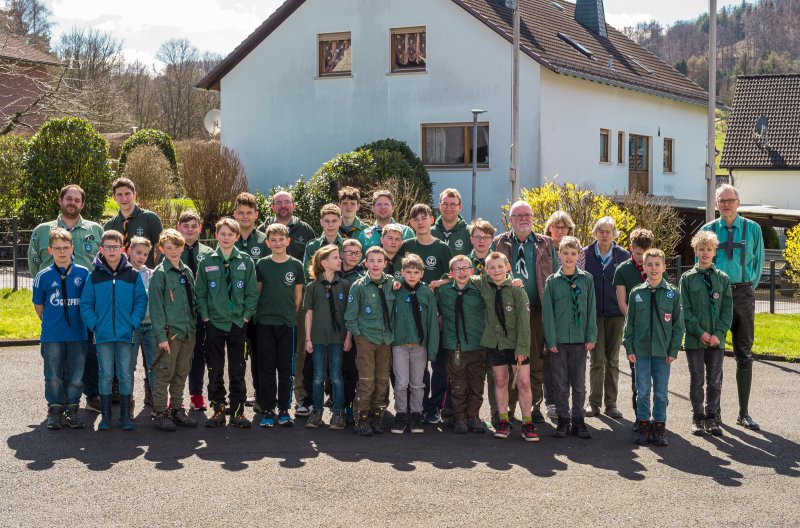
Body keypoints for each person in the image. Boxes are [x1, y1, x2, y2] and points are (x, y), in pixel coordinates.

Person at [28, 184, 103, 413]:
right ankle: (58, 403)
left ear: (82, 204)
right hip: (55, 302)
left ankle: (92, 396)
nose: (72, 203)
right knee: (56, 356)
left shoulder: (95, 229)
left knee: (89, 353)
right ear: (60, 201)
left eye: (77, 200)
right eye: (68, 198)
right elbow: (34, 263)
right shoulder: (43, 230)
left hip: (87, 303)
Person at [700, 184, 764, 431]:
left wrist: (746, 287)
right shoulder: (708, 230)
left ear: (738, 202)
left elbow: (758, 263)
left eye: (730, 200)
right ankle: (713, 412)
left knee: (744, 353)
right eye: (722, 201)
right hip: (714, 295)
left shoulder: (753, 229)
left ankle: (744, 413)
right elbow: (700, 264)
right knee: (714, 351)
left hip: (743, 293)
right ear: (716, 204)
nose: (726, 205)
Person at [493, 200, 557, 424]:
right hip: (508, 312)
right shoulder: (499, 242)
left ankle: (534, 406)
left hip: (537, 312)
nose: (523, 219)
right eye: (518, 215)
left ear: (532, 218)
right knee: (511, 361)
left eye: (527, 215)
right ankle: (509, 408)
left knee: (535, 362)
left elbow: (556, 276)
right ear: (510, 220)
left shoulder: (546, 243)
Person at [79, 230, 148, 431]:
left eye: (115, 247)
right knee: (106, 374)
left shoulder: (132, 275)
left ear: (122, 249)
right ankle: (106, 417)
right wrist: (95, 324)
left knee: (125, 374)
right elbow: (86, 304)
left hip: (126, 334)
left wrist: (133, 322)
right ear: (101, 250)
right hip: (103, 335)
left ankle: (125, 416)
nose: (111, 251)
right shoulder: (94, 276)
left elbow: (141, 300)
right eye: (108, 247)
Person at [195, 218, 258, 429]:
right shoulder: (206, 261)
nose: (226, 237)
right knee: (215, 369)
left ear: (237, 237)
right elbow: (200, 292)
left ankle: (238, 412)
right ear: (216, 235)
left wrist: (246, 316)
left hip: (237, 323)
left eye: (230, 234)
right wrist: (205, 316)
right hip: (214, 322)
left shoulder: (246, 261)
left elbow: (251, 292)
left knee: (238, 370)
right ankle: (218, 411)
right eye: (222, 233)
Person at [473, 252, 537, 441]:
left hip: (516, 344)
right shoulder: (483, 284)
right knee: (500, 381)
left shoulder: (517, 290)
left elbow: (524, 322)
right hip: (495, 343)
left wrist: (522, 348)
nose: (496, 270)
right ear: (486, 270)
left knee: (523, 382)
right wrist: (440, 282)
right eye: (492, 267)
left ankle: (527, 423)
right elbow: (462, 276)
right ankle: (503, 421)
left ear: (508, 267)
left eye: (500, 266)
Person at [623, 248, 684, 446]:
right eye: (649, 264)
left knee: (660, 393)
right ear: (644, 267)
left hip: (663, 353)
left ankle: (659, 427)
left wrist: (673, 350)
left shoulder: (673, 294)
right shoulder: (636, 293)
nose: (653, 268)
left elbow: (678, 326)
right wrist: (629, 347)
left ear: (664, 267)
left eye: (657, 264)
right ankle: (643, 425)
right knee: (642, 391)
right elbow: (629, 324)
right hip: (641, 352)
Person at [32, 228, 90, 430]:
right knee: (53, 376)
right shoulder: (43, 276)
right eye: (57, 248)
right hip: (53, 335)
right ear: (50, 250)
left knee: (76, 376)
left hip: (78, 334)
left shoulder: (83, 273)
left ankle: (72, 409)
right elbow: (39, 306)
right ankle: (55, 410)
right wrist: (51, 322)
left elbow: (88, 302)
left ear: (72, 248)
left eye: (66, 247)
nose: (62, 252)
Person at [400, 204, 452, 424]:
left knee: (439, 362)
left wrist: (440, 282)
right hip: (412, 314)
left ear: (432, 219)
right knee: (417, 364)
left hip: (438, 312)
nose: (420, 222)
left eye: (424, 218)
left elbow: (452, 278)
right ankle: (417, 406)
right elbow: (398, 275)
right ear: (410, 223)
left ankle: (435, 406)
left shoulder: (442, 248)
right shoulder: (406, 246)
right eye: (416, 219)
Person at [543, 236, 597, 439]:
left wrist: (591, 336)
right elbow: (548, 314)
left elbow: (591, 310)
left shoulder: (587, 279)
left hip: (580, 340)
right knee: (560, 382)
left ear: (579, 255)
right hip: (559, 341)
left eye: (573, 253)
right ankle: (563, 420)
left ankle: (578, 420)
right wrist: (550, 339)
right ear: (559, 255)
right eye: (565, 253)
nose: (569, 257)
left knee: (579, 383)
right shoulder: (552, 281)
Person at [680, 231, 733, 436]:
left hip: (716, 340)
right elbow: (685, 309)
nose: (705, 253)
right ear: (695, 251)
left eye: (709, 249)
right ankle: (697, 416)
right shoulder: (687, 279)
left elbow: (727, 309)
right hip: (695, 339)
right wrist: (699, 332)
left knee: (714, 380)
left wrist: (719, 333)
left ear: (714, 252)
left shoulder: (722, 279)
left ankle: (712, 417)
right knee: (697, 379)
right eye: (701, 249)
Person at [254, 223, 305, 428]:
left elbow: (298, 295)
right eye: (273, 240)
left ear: (288, 241)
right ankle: (268, 409)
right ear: (267, 243)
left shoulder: (296, 265)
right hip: (265, 323)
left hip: (287, 324)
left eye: (281, 239)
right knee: (266, 368)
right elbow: (258, 292)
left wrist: (290, 314)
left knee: (285, 369)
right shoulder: (262, 265)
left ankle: (284, 409)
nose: (277, 243)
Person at [148, 229, 198, 431]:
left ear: (182, 247)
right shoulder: (160, 274)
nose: (173, 251)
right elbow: (156, 309)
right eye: (168, 248)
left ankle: (177, 409)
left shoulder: (187, 272)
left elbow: (192, 301)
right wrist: (161, 336)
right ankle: (160, 412)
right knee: (164, 374)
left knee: (181, 372)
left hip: (187, 332)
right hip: (170, 334)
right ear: (161, 249)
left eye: (176, 247)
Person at [344, 246, 397, 436]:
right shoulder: (358, 286)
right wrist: (358, 335)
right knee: (367, 380)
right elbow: (350, 316)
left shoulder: (392, 283)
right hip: (366, 338)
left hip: (386, 338)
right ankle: (362, 418)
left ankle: (377, 415)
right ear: (365, 263)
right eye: (371, 261)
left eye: (379, 261)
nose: (375, 264)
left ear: (385, 263)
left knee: (382, 380)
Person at [582, 217, 629, 419]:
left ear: (614, 234)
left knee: (613, 360)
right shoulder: (585, 253)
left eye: (608, 231)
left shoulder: (623, 255)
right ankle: (593, 403)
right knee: (597, 359)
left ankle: (611, 404)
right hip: (593, 314)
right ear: (595, 233)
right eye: (600, 231)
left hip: (616, 314)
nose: (604, 235)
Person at [303, 245, 352, 430]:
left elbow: (350, 314)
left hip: (338, 339)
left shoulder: (345, 285)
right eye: (335, 258)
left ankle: (338, 413)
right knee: (318, 377)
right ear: (324, 263)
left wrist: (348, 337)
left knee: (337, 377)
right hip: (317, 339)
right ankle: (316, 412)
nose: (340, 260)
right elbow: (309, 314)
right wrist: (308, 339)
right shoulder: (312, 287)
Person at [390, 254, 440, 434]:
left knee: (417, 383)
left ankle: (416, 414)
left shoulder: (427, 293)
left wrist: (432, 349)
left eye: (416, 272)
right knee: (401, 383)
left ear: (422, 273)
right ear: (402, 273)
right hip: (399, 344)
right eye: (408, 272)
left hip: (420, 346)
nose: (412, 275)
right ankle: (401, 414)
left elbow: (432, 323)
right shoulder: (396, 291)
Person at [437, 254, 487, 434]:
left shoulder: (480, 288)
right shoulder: (443, 291)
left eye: (466, 268)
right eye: (457, 269)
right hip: (455, 346)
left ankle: (473, 417)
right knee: (458, 385)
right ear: (451, 273)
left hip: (477, 345)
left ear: (472, 271)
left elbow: (498, 281)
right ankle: (460, 418)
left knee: (477, 385)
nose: (462, 272)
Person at [613, 228, 654, 414]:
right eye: (638, 253)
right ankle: (640, 415)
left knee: (657, 375)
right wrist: (636, 322)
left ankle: (657, 415)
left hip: (655, 328)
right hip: (635, 328)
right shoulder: (623, 270)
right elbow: (622, 302)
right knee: (637, 375)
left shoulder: (656, 266)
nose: (641, 258)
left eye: (645, 253)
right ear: (631, 248)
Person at [176, 210, 214, 411]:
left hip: (200, 311)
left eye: (194, 226)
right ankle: (175, 395)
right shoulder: (171, 249)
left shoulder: (208, 252)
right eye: (186, 226)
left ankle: (196, 394)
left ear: (200, 229)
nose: (190, 230)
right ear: (178, 228)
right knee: (177, 355)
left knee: (199, 353)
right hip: (176, 312)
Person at [104, 177, 163, 267]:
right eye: (119, 194)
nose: (124, 198)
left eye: (127, 193)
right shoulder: (109, 225)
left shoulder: (150, 218)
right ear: (114, 197)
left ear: (134, 195)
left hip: (144, 273)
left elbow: (160, 250)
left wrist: (156, 272)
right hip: (118, 274)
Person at [127, 236, 157, 411]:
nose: (141, 257)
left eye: (145, 254)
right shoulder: (123, 273)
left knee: (153, 365)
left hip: (150, 325)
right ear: (129, 251)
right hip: (132, 327)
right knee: (129, 366)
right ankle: (128, 402)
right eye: (138, 252)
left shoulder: (151, 274)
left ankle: (156, 401)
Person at [339, 238, 364, 423]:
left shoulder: (363, 276)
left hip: (354, 330)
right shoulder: (333, 272)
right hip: (333, 328)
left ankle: (349, 405)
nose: (353, 256)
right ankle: (336, 403)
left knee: (351, 370)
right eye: (349, 252)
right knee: (334, 370)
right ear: (341, 254)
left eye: (356, 253)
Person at [258, 191, 316, 260]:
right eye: (278, 202)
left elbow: (314, 259)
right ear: (272, 207)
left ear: (294, 206)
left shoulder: (305, 230)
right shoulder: (261, 230)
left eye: (287, 202)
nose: (283, 206)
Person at [431, 188, 473, 256]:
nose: (448, 208)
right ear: (439, 206)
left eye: (453, 204)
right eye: (445, 204)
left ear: (460, 207)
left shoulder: (470, 233)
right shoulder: (430, 233)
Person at [233, 192, 269, 262]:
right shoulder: (226, 239)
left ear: (256, 215)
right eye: (241, 213)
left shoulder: (265, 240)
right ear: (235, 214)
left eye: (249, 213)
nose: (245, 216)